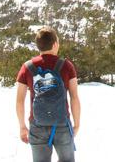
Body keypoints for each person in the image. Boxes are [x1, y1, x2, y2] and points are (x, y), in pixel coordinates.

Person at [16, 26, 81, 162]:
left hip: (37, 124)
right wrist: (76, 124)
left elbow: (19, 100)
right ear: (55, 44)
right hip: (62, 124)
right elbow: (74, 97)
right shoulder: (66, 65)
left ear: (38, 45)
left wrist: (22, 126)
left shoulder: (27, 67)